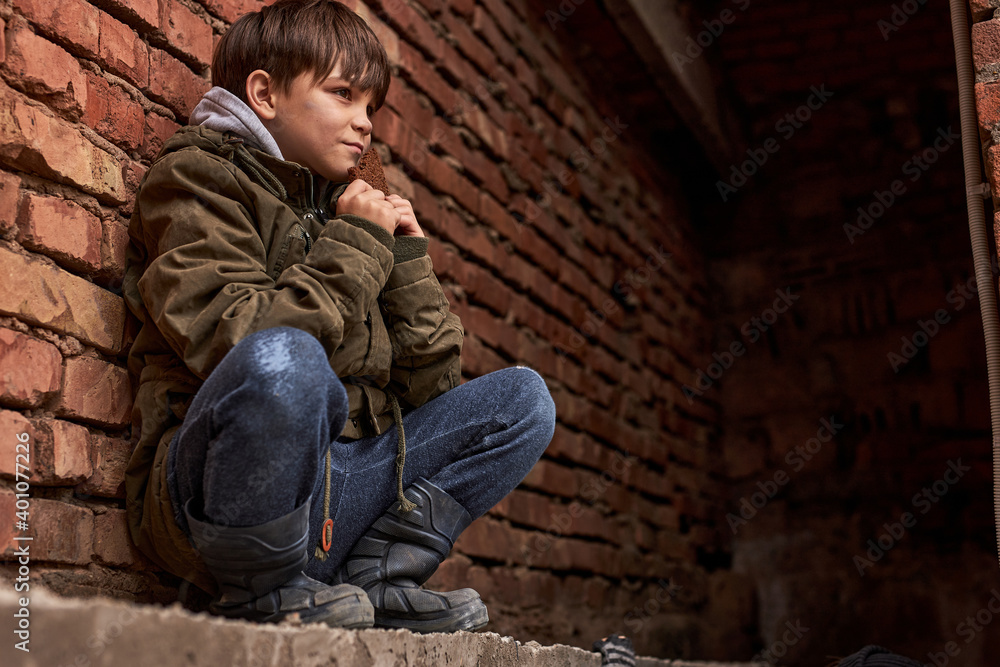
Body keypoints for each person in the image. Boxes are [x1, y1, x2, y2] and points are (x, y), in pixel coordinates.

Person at [122, 0, 555, 634]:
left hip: (340, 496)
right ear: (265, 95)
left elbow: (429, 392)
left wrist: (404, 258)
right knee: (288, 356)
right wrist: (356, 243)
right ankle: (259, 588)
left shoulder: (347, 210)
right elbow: (240, 341)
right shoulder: (197, 178)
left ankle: (377, 575)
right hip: (225, 496)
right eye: (343, 94)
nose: (365, 123)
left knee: (523, 401)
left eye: (372, 105)